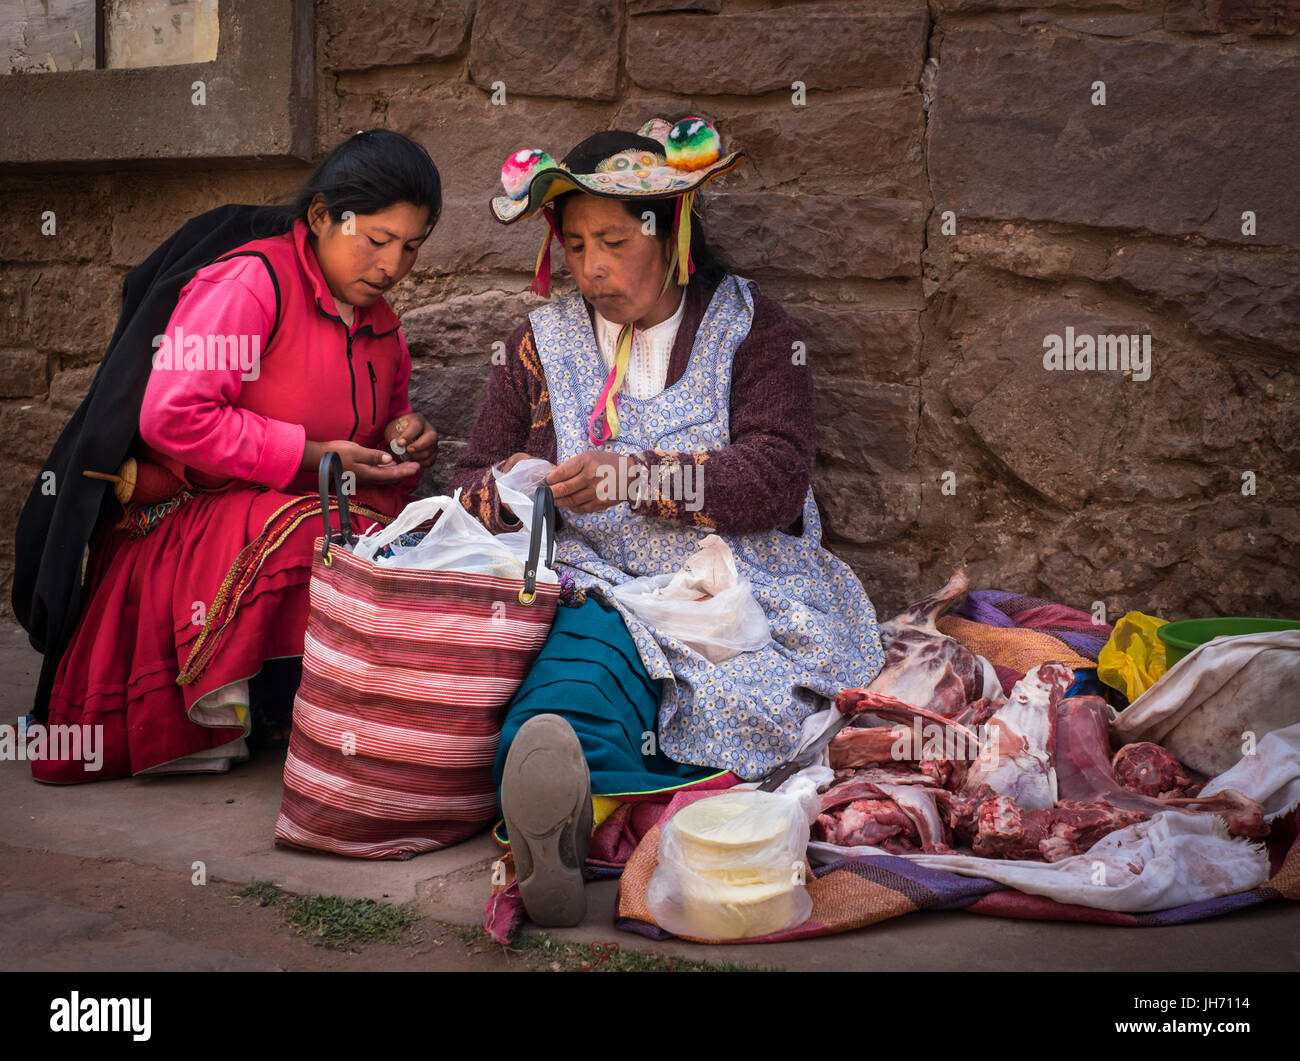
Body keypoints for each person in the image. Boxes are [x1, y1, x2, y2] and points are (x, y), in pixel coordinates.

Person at [452, 118, 886, 925]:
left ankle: (610, 822)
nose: (593, 267)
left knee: (739, 705)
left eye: (614, 240)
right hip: (602, 587)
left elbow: (777, 476)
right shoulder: (535, 347)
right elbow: (470, 475)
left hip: (730, 586)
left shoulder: (753, 329)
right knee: (575, 688)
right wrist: (511, 486)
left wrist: (637, 476)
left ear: (672, 230)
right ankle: (568, 809)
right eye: (576, 245)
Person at [29, 129, 443, 782]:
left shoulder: (381, 322)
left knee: (405, 540)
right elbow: (172, 416)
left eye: (411, 246)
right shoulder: (252, 284)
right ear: (319, 218)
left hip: (299, 506)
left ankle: (323, 714)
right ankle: (209, 708)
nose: (392, 264)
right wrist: (305, 451)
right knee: (317, 533)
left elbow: (383, 415)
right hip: (192, 521)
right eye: (376, 239)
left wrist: (405, 433)